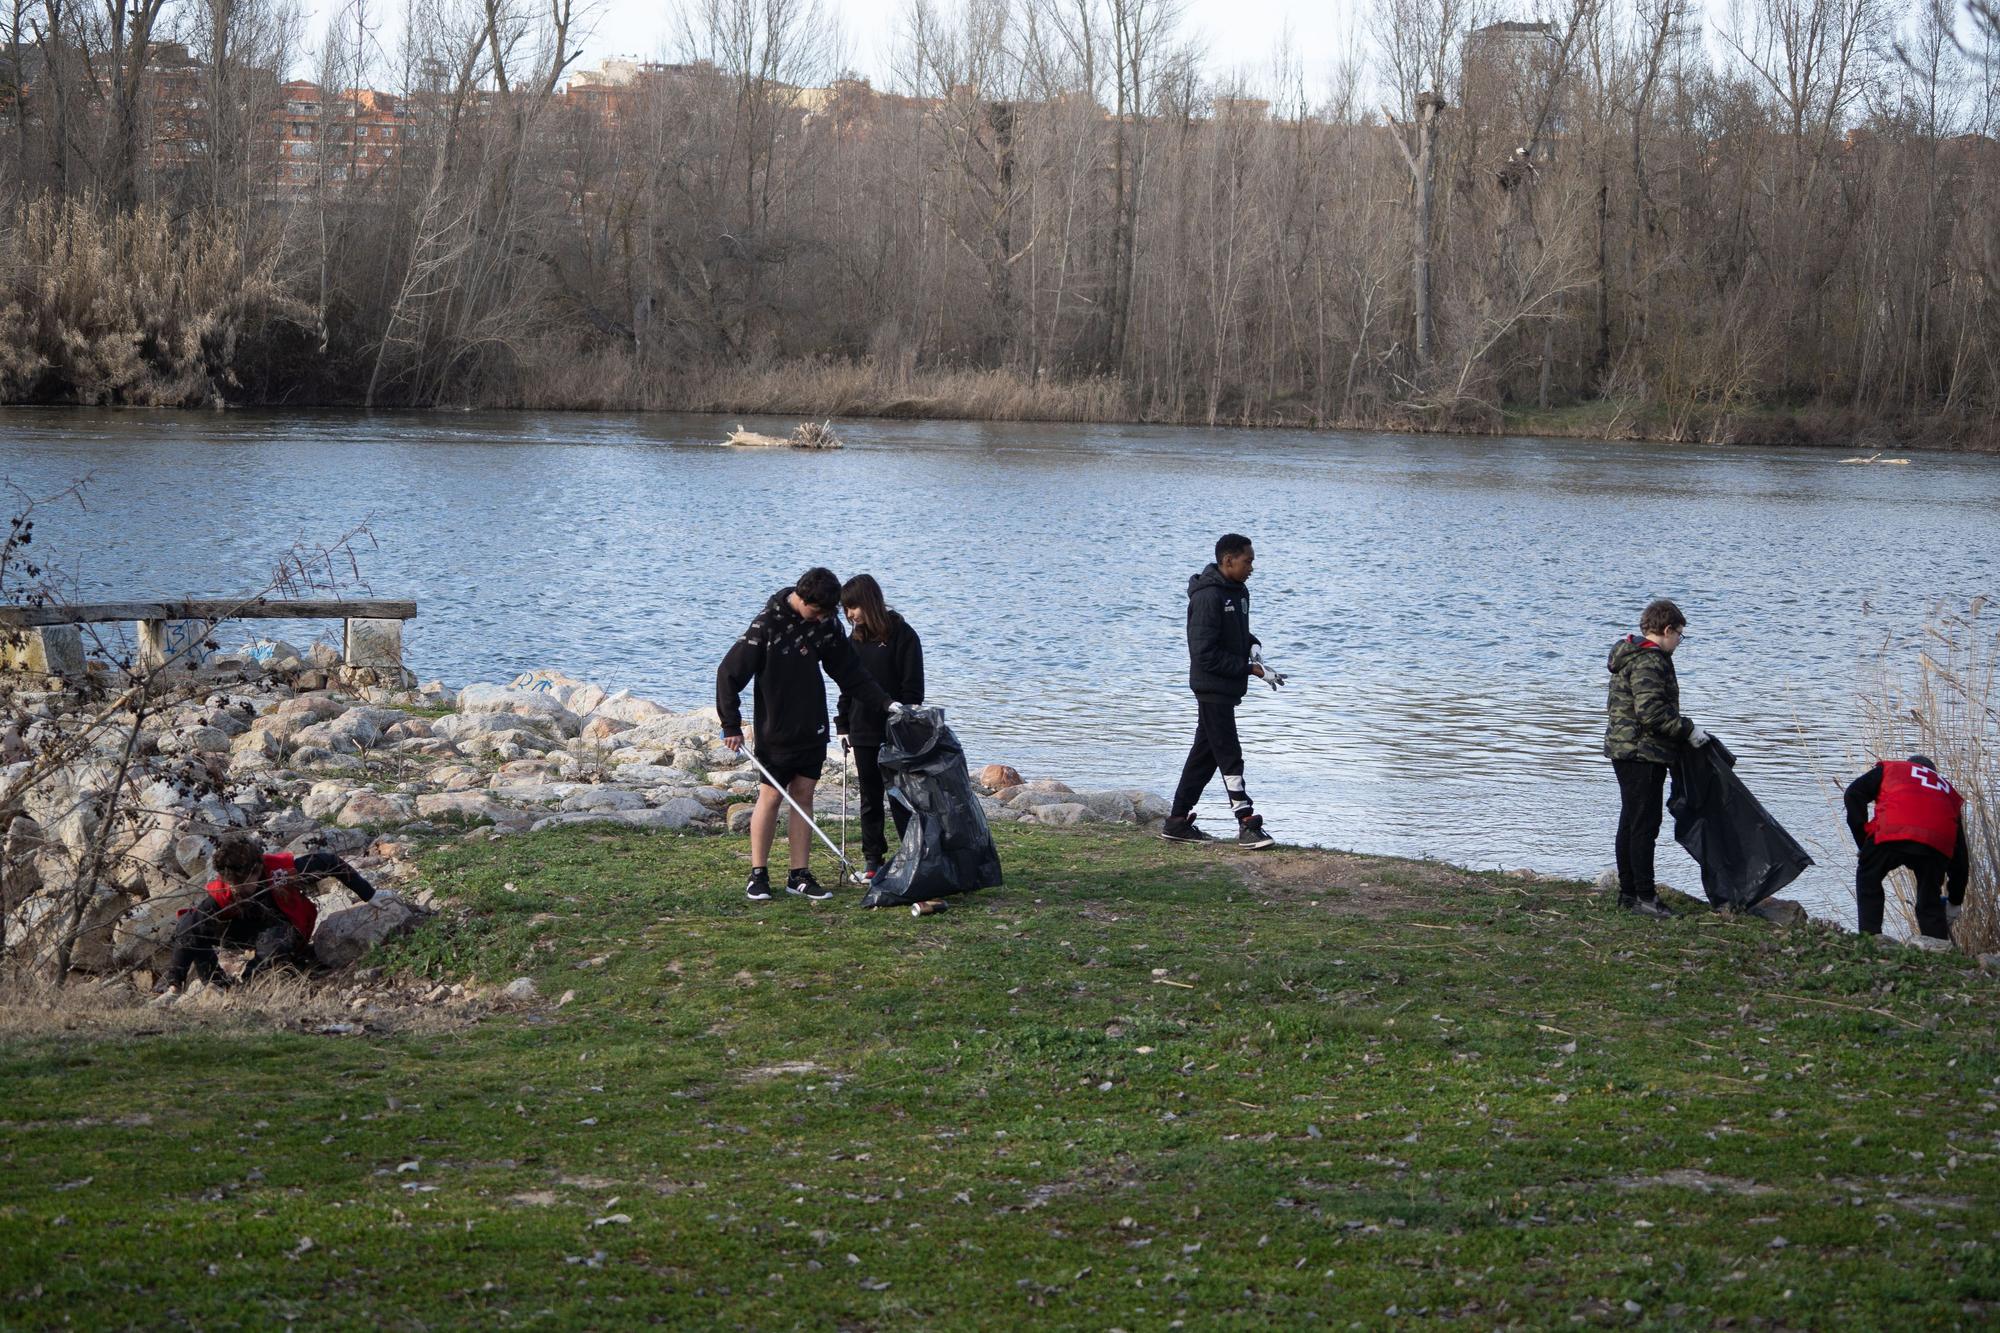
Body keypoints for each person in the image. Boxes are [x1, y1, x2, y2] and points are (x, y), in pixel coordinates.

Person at [717, 566, 896, 903]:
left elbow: (850, 672)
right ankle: (758, 874)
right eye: (818, 611)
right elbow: (729, 672)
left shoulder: (825, 624)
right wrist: (731, 723)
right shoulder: (766, 625)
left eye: (828, 614)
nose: (822, 618)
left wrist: (885, 704)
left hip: (812, 723)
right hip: (775, 727)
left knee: (804, 796)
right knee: (770, 797)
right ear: (801, 598)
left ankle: (798, 875)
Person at [1160, 533, 1280, 848]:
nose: (1252, 567)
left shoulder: (1239, 592)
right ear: (1228, 560)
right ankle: (1246, 822)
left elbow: (1235, 633)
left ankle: (1176, 822)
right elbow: (1204, 653)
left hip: (1228, 689)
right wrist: (1248, 669)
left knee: (1205, 756)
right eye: (1248, 560)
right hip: (1211, 688)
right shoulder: (1207, 596)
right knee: (1229, 753)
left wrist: (1252, 646)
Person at [162, 832, 382, 990]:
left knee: (274, 943)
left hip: (283, 927)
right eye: (231, 884)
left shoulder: (280, 873)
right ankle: (214, 984)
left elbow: (329, 862)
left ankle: (247, 984)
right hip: (242, 930)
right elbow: (190, 928)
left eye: (242, 885)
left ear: (257, 870)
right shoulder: (226, 888)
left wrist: (370, 895)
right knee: (190, 921)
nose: (235, 890)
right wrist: (175, 978)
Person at [1603, 598, 1710, 919]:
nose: (1680, 641)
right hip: (1641, 753)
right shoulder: (1650, 661)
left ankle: (1628, 894)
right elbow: (1651, 713)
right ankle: (1646, 899)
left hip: (1625, 750)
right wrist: (1689, 730)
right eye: (1680, 634)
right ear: (1666, 630)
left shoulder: (1631, 655)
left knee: (1631, 821)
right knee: (1644, 825)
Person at [835, 574, 926, 882]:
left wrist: (906, 723)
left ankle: (913, 854)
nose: (850, 615)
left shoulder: (903, 634)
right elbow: (846, 686)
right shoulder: (854, 641)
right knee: (869, 798)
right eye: (845, 609)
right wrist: (842, 725)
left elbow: (913, 689)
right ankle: (873, 861)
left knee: (901, 797)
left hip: (896, 731)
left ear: (869, 601)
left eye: (853, 607)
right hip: (861, 731)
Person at [1843, 754, 1969, 946]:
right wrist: (1954, 901)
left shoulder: (1891, 769)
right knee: (1930, 899)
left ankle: (1870, 941)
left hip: (1891, 833)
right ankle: (1937, 949)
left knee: (1869, 876)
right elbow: (1960, 859)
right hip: (1935, 844)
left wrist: (1863, 841)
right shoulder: (1947, 791)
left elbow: (1853, 794)